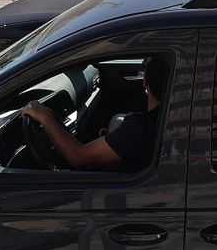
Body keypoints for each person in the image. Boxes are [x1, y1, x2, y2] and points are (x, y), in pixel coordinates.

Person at [23, 56, 166, 169]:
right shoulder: (164, 119)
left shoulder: (140, 127)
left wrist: (44, 116)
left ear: (145, 82)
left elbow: (77, 157)